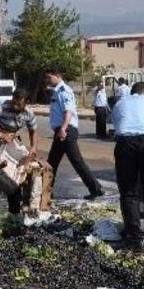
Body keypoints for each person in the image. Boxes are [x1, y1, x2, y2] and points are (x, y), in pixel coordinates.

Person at [111, 81, 144, 250]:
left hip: (124, 144)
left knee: (129, 192)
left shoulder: (119, 103)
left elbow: (117, 127)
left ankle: (134, 239)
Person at [45, 69, 104, 200]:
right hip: (61, 131)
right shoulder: (56, 91)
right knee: (51, 163)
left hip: (66, 130)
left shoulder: (64, 91)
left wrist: (63, 129)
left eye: (49, 77)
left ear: (58, 75)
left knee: (76, 161)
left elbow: (69, 111)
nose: (48, 80)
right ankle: (47, 192)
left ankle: (96, 188)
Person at [0, 88, 38, 214]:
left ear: (26, 102)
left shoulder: (29, 113)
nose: (15, 106)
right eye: (14, 103)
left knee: (15, 174)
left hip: (10, 143)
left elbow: (33, 131)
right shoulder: (2, 107)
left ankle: (14, 212)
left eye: (19, 104)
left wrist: (33, 147)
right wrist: (1, 135)